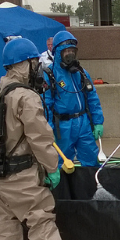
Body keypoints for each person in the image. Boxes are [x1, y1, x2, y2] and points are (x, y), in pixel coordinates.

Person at [0, 37, 88, 240]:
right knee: (40, 217)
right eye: (34, 62)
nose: (38, 67)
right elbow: (41, 138)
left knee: (7, 222)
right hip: (22, 173)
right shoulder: (25, 97)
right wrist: (52, 167)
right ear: (24, 64)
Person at [42, 31, 104, 167]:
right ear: (58, 52)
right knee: (62, 162)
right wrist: (49, 129)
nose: (70, 54)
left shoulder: (81, 73)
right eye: (66, 51)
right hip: (62, 126)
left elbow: (92, 97)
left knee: (91, 159)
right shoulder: (50, 74)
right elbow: (46, 105)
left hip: (83, 123)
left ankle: (91, 187)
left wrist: (98, 121)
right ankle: (64, 188)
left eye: (72, 51)